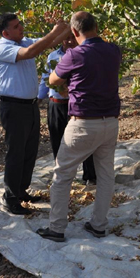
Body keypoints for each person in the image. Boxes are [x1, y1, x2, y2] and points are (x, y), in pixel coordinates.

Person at [37, 11, 121, 242]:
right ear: (96, 26)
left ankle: (56, 228)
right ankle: (99, 225)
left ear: (74, 32)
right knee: (105, 175)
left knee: (62, 174)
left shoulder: (74, 54)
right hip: (110, 122)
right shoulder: (114, 50)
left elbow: (53, 80)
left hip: (83, 123)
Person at [0, 13, 71, 215]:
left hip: (30, 106)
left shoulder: (23, 41)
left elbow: (51, 41)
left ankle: (21, 191)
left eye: (20, 24)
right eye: (16, 26)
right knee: (16, 152)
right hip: (14, 107)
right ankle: (9, 197)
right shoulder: (2, 47)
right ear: (5, 32)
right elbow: (29, 52)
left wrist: (64, 26)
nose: (21, 28)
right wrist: (54, 32)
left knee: (29, 151)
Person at [37, 35, 96, 184]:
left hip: (77, 105)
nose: (69, 41)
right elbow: (46, 78)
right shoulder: (53, 56)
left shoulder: (83, 55)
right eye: (65, 38)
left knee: (83, 140)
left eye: (72, 38)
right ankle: (63, 177)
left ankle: (90, 176)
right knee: (58, 141)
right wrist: (39, 97)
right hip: (56, 104)